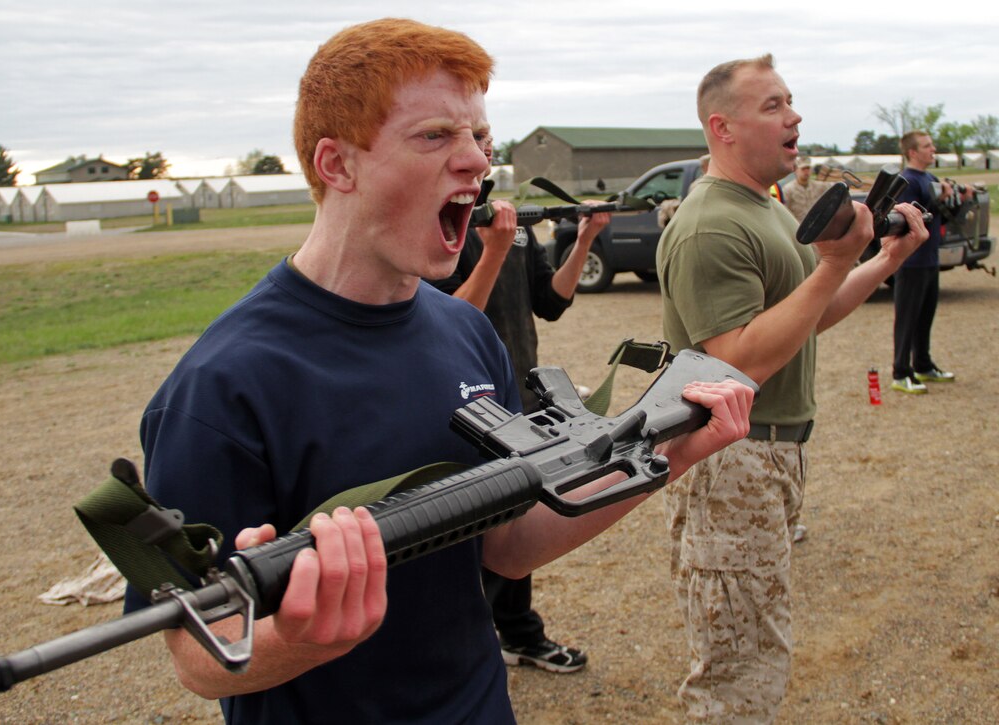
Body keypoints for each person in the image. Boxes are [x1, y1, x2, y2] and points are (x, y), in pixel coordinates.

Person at [125, 19, 756, 725]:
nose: (476, 163)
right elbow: (197, 657)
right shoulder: (220, 387)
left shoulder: (465, 330)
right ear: (338, 164)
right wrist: (299, 640)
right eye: (435, 137)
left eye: (480, 139)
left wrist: (667, 454)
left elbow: (509, 546)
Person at [655, 53, 927, 723]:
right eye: (773, 105)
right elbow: (733, 362)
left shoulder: (764, 207)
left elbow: (810, 312)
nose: (794, 116)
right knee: (738, 671)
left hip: (771, 455)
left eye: (790, 101)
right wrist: (835, 261)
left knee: (757, 654)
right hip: (730, 462)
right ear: (723, 127)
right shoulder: (712, 222)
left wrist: (882, 261)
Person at [429, 147, 611, 674]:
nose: (480, 150)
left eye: (487, 139)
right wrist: (491, 251)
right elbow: (445, 326)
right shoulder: (443, 230)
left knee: (515, 519)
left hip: (520, 399)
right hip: (467, 407)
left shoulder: (514, 225)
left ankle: (518, 635)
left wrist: (585, 239)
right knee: (474, 534)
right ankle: (466, 655)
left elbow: (551, 302)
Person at [890, 130, 967, 394]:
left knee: (925, 317)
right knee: (907, 318)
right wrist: (937, 198)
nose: (933, 149)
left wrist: (956, 201)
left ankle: (923, 364)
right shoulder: (908, 181)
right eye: (927, 146)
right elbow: (910, 218)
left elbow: (939, 218)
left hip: (930, 259)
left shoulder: (930, 178)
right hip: (912, 261)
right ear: (913, 152)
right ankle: (901, 373)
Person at [782, 156, 835, 223]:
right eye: (803, 169)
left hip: (817, 226)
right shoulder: (788, 190)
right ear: (796, 170)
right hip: (797, 227)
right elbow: (784, 212)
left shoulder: (820, 186)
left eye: (808, 168)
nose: (806, 171)